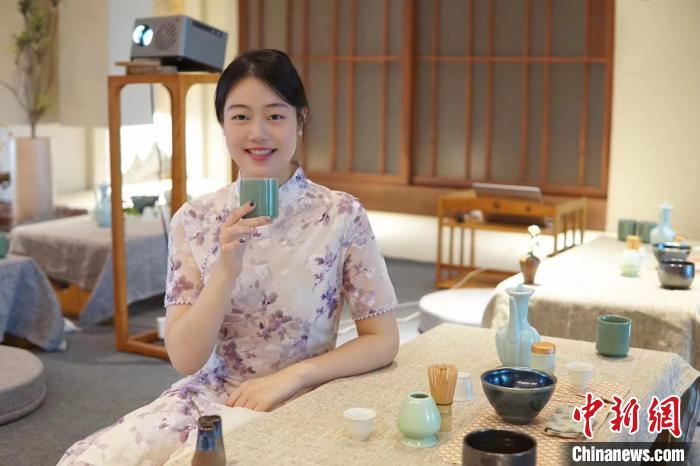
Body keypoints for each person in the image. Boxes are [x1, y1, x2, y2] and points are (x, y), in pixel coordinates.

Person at [58, 49, 399, 465]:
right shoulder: (194, 219)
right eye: (240, 116)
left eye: (275, 115)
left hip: (303, 395)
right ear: (222, 125)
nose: (258, 132)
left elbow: (383, 339)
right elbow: (186, 359)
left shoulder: (341, 214)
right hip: (210, 396)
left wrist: (295, 376)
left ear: (300, 120)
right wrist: (224, 270)